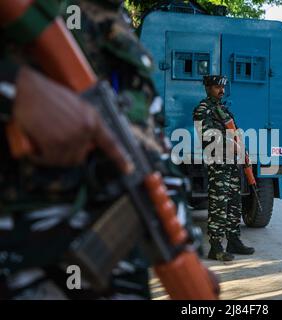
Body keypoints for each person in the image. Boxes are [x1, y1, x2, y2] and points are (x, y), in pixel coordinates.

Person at [0, 0, 202, 299]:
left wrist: (183, 245)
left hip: (117, 270)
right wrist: (15, 88)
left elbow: (151, 140)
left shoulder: (115, 17)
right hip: (24, 266)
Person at [193, 75, 254, 262]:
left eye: (223, 87)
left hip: (232, 161)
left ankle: (234, 240)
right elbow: (207, 135)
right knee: (219, 203)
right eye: (217, 87)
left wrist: (244, 153)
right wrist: (230, 143)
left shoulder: (225, 110)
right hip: (218, 162)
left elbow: (236, 134)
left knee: (234, 202)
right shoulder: (202, 110)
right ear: (208, 88)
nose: (221, 90)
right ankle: (216, 246)